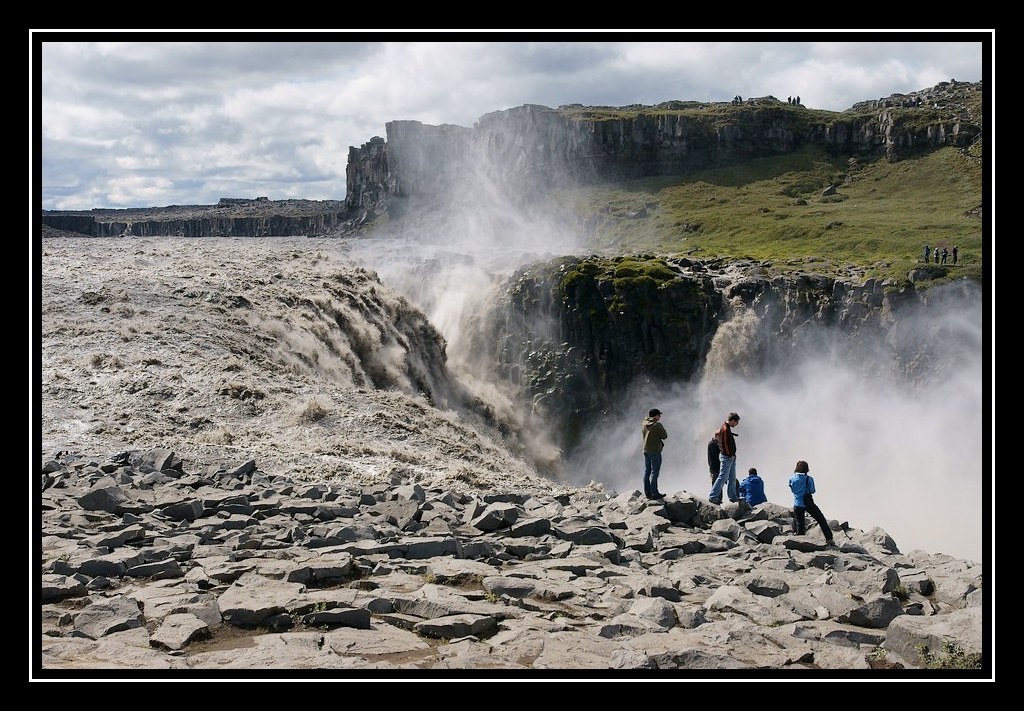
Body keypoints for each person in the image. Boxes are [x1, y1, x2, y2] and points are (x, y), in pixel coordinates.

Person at [788, 460, 835, 546]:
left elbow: (792, 489)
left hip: (797, 504)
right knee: (821, 519)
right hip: (808, 503)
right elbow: (813, 491)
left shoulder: (792, 478)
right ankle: (829, 539)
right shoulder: (809, 479)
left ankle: (800, 543)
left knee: (800, 524)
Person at [708, 413, 740, 504]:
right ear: (733, 420)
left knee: (732, 478)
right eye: (736, 422)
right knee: (722, 477)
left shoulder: (726, 428)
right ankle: (713, 496)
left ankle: (733, 496)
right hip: (727, 457)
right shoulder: (725, 429)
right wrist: (730, 454)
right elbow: (724, 444)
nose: (736, 424)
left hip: (730, 457)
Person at [641, 408, 667, 500]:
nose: (660, 416)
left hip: (646, 450)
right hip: (655, 451)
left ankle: (648, 493)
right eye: (659, 415)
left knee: (647, 472)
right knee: (654, 472)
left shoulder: (644, 423)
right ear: (655, 416)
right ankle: (654, 493)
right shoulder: (656, 425)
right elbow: (664, 436)